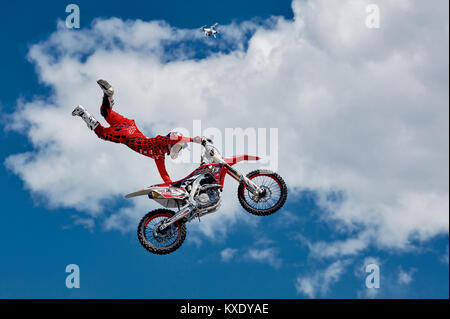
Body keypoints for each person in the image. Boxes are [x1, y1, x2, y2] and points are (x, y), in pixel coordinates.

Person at [72, 79, 201, 185]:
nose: (177, 151)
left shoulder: (159, 155)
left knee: (106, 113)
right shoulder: (160, 143)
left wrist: (171, 185)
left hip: (129, 126)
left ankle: (108, 95)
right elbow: (175, 137)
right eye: (178, 148)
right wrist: (193, 140)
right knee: (101, 133)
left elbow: (164, 174)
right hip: (126, 136)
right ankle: (82, 112)